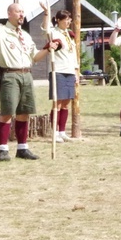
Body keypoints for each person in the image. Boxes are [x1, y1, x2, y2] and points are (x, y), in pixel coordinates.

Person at [0, 0, 58, 161]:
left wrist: (47, 49)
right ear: (9, 14)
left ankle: (22, 148)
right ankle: (3, 150)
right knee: (7, 112)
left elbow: (35, 57)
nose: (21, 14)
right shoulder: (1, 31)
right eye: (18, 12)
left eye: (22, 12)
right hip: (9, 75)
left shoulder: (26, 36)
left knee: (24, 113)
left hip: (26, 75)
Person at [41, 8, 79, 142]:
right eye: (66, 19)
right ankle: (55, 132)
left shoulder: (69, 34)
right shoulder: (54, 32)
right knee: (57, 103)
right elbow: (45, 28)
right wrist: (46, 13)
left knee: (66, 103)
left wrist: (76, 71)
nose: (69, 21)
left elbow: (73, 54)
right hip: (58, 70)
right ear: (58, 20)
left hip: (69, 71)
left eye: (69, 19)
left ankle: (62, 131)